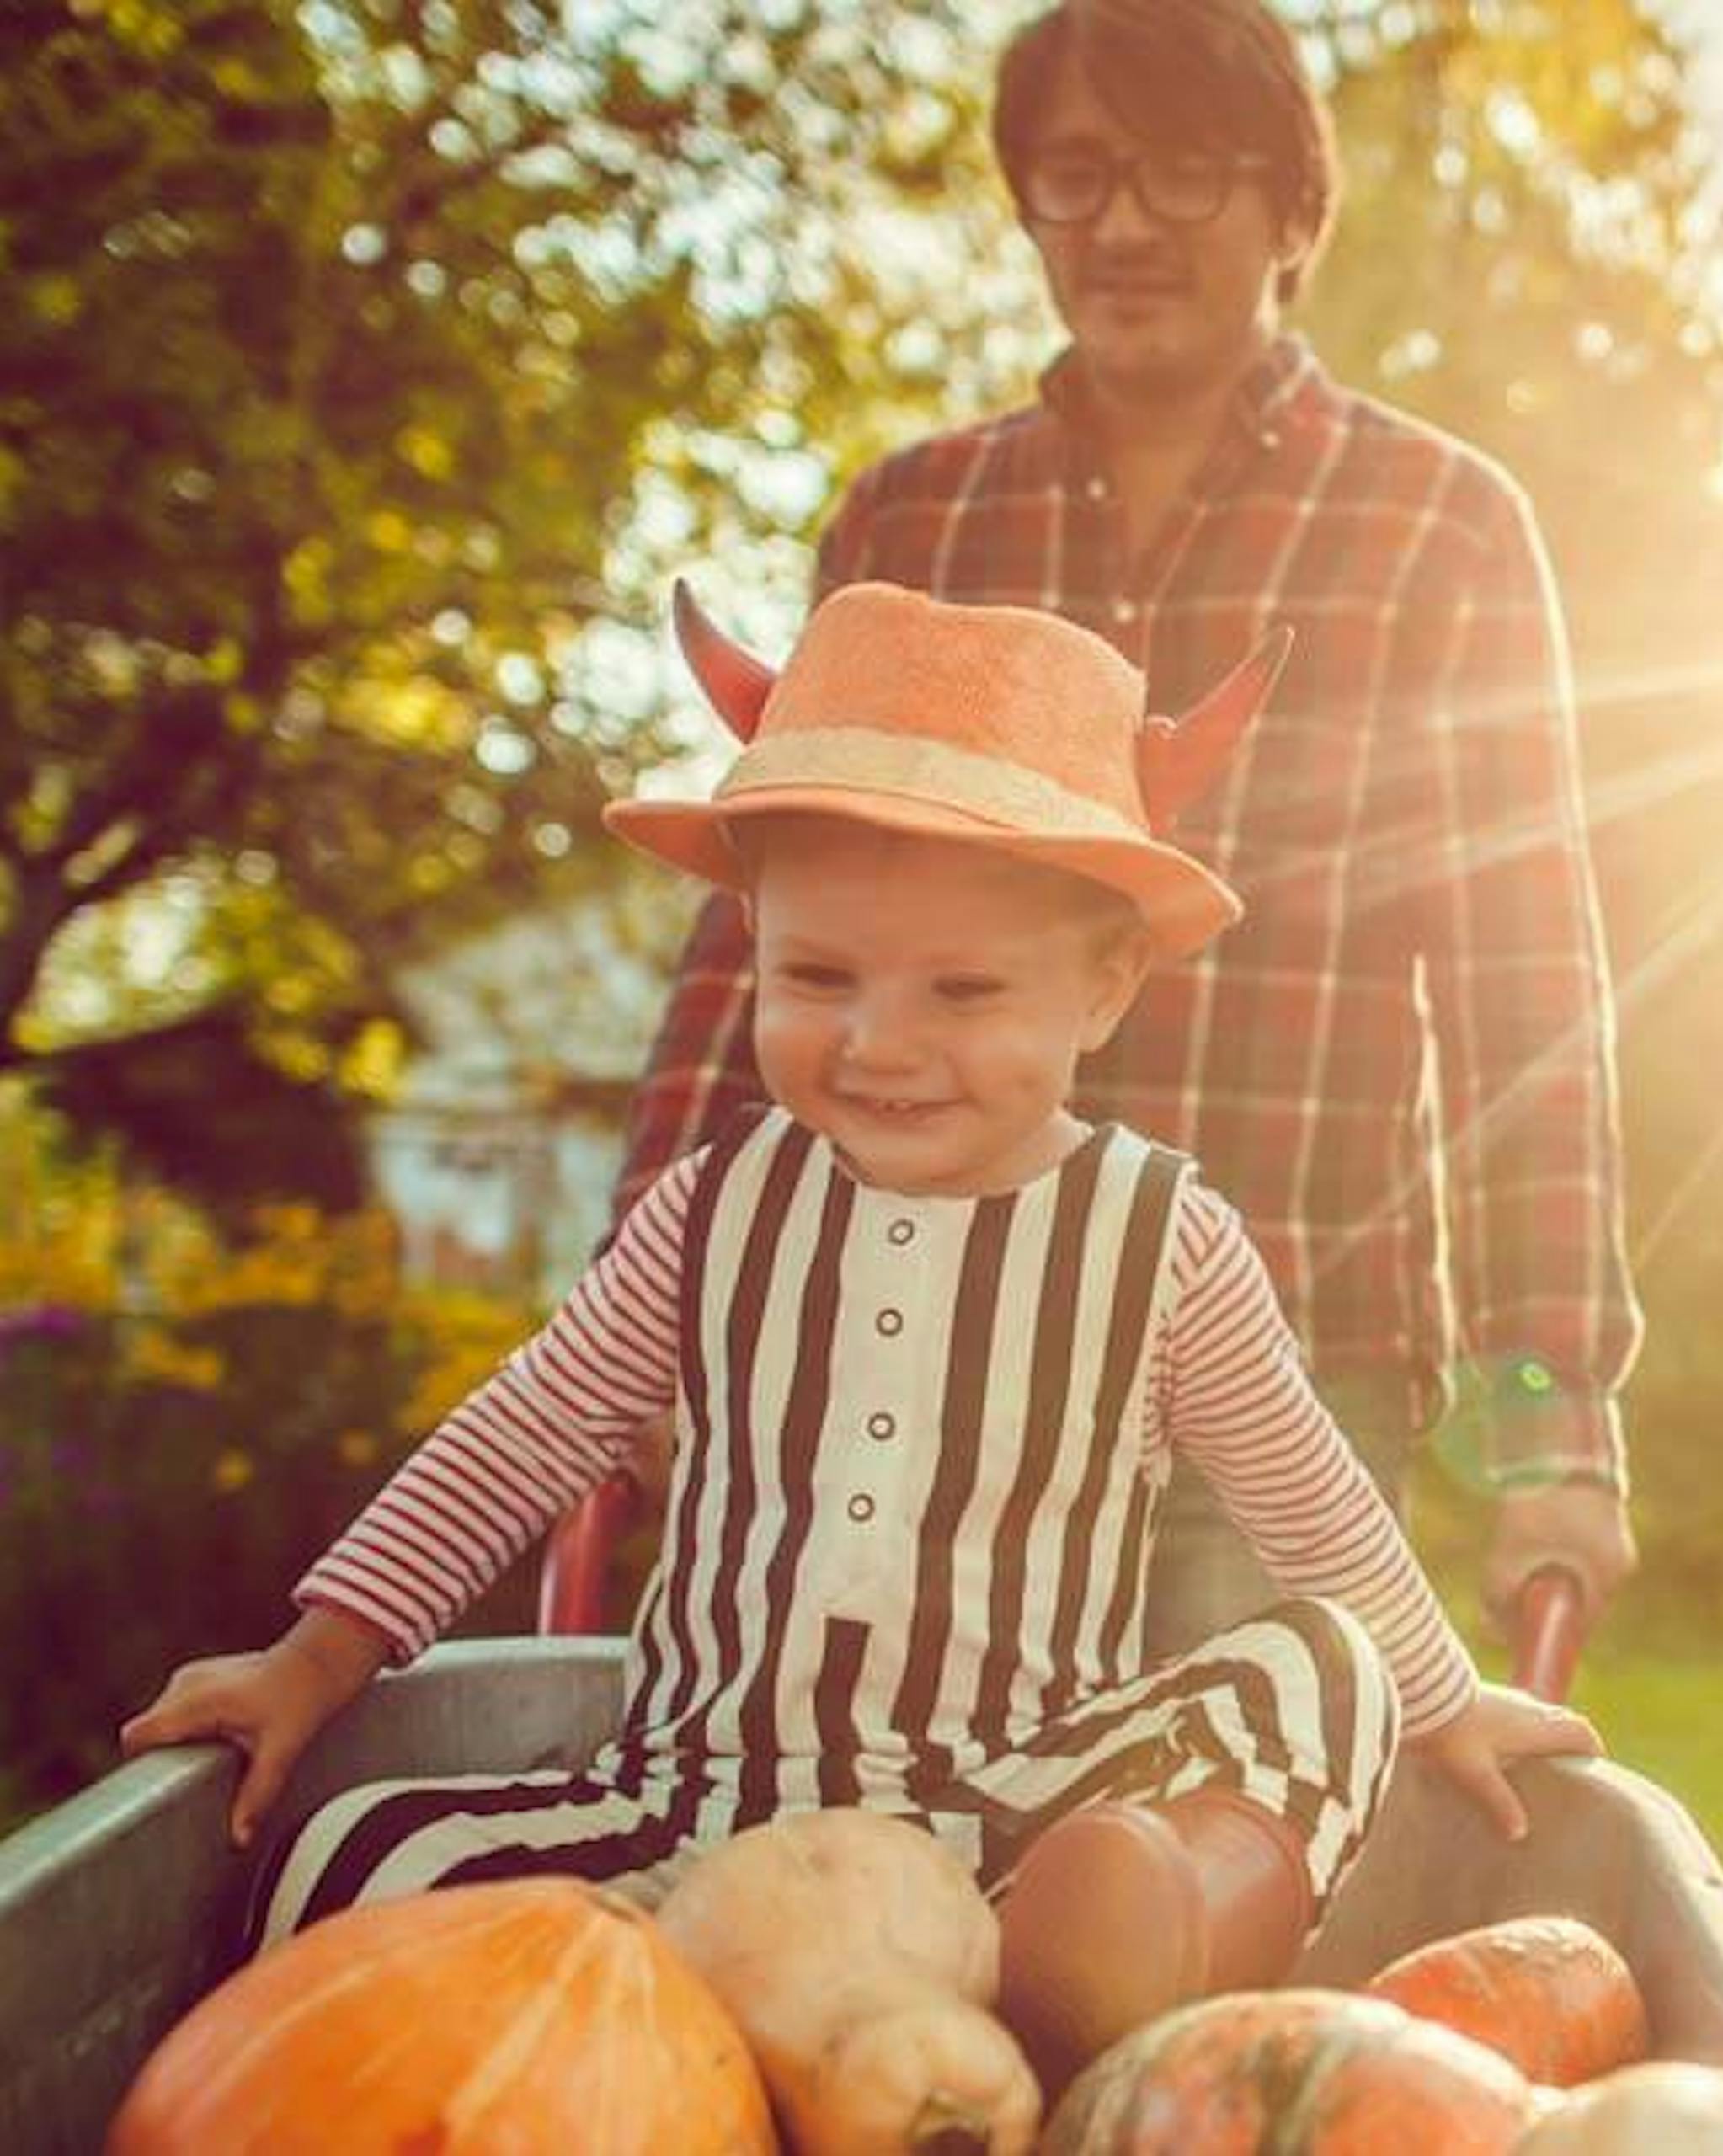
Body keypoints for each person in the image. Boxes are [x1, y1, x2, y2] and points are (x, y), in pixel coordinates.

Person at [120, 581, 1602, 2079]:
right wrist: (316, 1661)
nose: (879, 1044)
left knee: (1324, 1662)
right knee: (354, 1850)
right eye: (819, 977)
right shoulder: (712, 1215)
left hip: (1018, 1821)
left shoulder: (1163, 1245)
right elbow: (525, 1434)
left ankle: (1133, 1957)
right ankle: (641, 2034)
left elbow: (1307, 1498)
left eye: (964, 990)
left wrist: (1440, 1691)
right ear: (753, 938)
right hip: (687, 1815)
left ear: (1104, 987)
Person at [606, 0, 1643, 1659]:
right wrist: (648, 1308)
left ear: (1293, 209)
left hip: (1285, 1373)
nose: (1127, 227)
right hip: (919, 1331)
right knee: (881, 1859)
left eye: (1186, 173)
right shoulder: (919, 516)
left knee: (1203, 1873)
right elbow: (760, 924)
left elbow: (1531, 984)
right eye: (1078, 180)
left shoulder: (1436, 526)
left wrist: (1553, 1409)